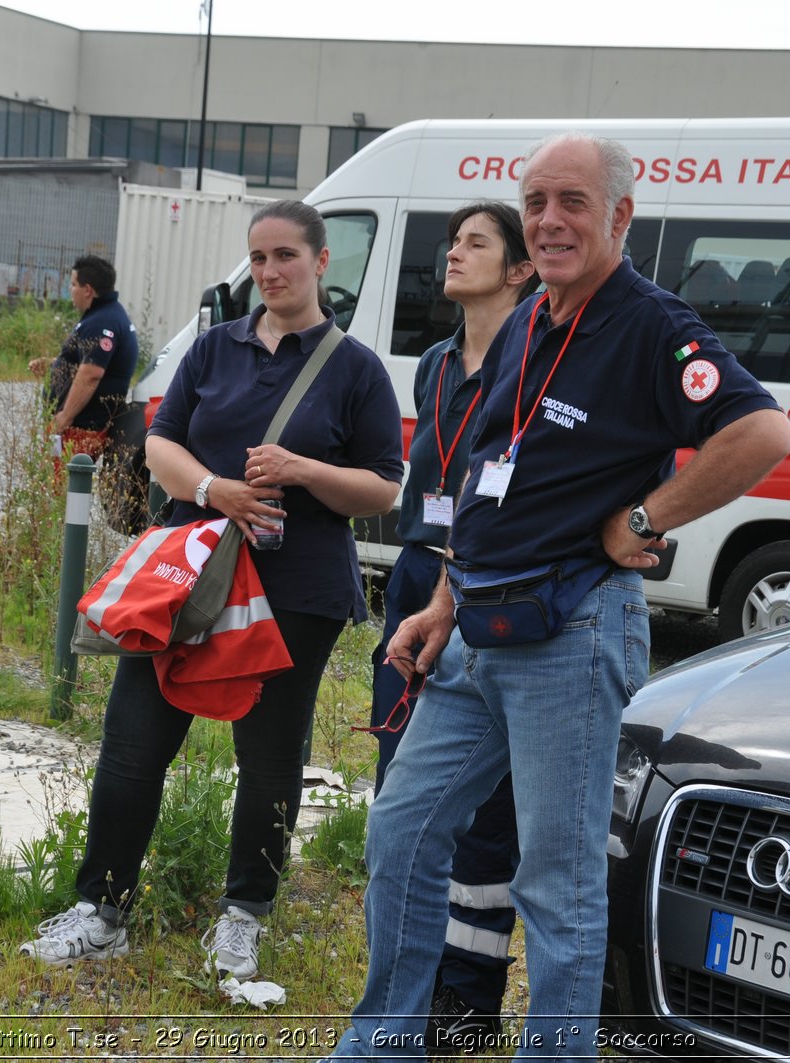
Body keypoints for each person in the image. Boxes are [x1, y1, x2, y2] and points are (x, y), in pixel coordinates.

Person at [330, 133, 790, 1058]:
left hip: (571, 633)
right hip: (476, 629)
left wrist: (648, 517)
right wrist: (443, 603)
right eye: (535, 201)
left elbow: (761, 432)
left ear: (620, 214)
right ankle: (383, 1044)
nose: (548, 220)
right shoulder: (530, 321)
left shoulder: (653, 325)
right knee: (404, 835)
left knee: (556, 881)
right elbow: (497, 480)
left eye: (572, 201)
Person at [20, 201, 403, 980]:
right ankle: (102, 909)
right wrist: (213, 488)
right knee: (133, 742)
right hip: (189, 580)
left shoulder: (356, 368)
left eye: (286, 256)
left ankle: (244, 917)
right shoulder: (213, 348)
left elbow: (382, 488)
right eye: (258, 257)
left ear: (323, 262)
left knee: (267, 760)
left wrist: (301, 472)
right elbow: (159, 443)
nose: (269, 272)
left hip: (295, 589)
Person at [363, 200, 536, 1053]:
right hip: (415, 576)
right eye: (452, 241)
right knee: (405, 798)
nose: (454, 252)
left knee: (485, 818)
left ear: (519, 269)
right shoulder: (434, 361)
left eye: (478, 242)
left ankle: (466, 1005)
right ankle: (406, 995)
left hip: (487, 586)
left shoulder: (536, 361)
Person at [27, 254, 140, 458]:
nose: (70, 290)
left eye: (73, 284)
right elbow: (90, 361)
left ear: (87, 290)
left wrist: (65, 417)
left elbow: (91, 374)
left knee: (61, 486)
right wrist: (54, 365)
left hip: (81, 426)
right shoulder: (104, 315)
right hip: (79, 425)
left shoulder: (102, 321)